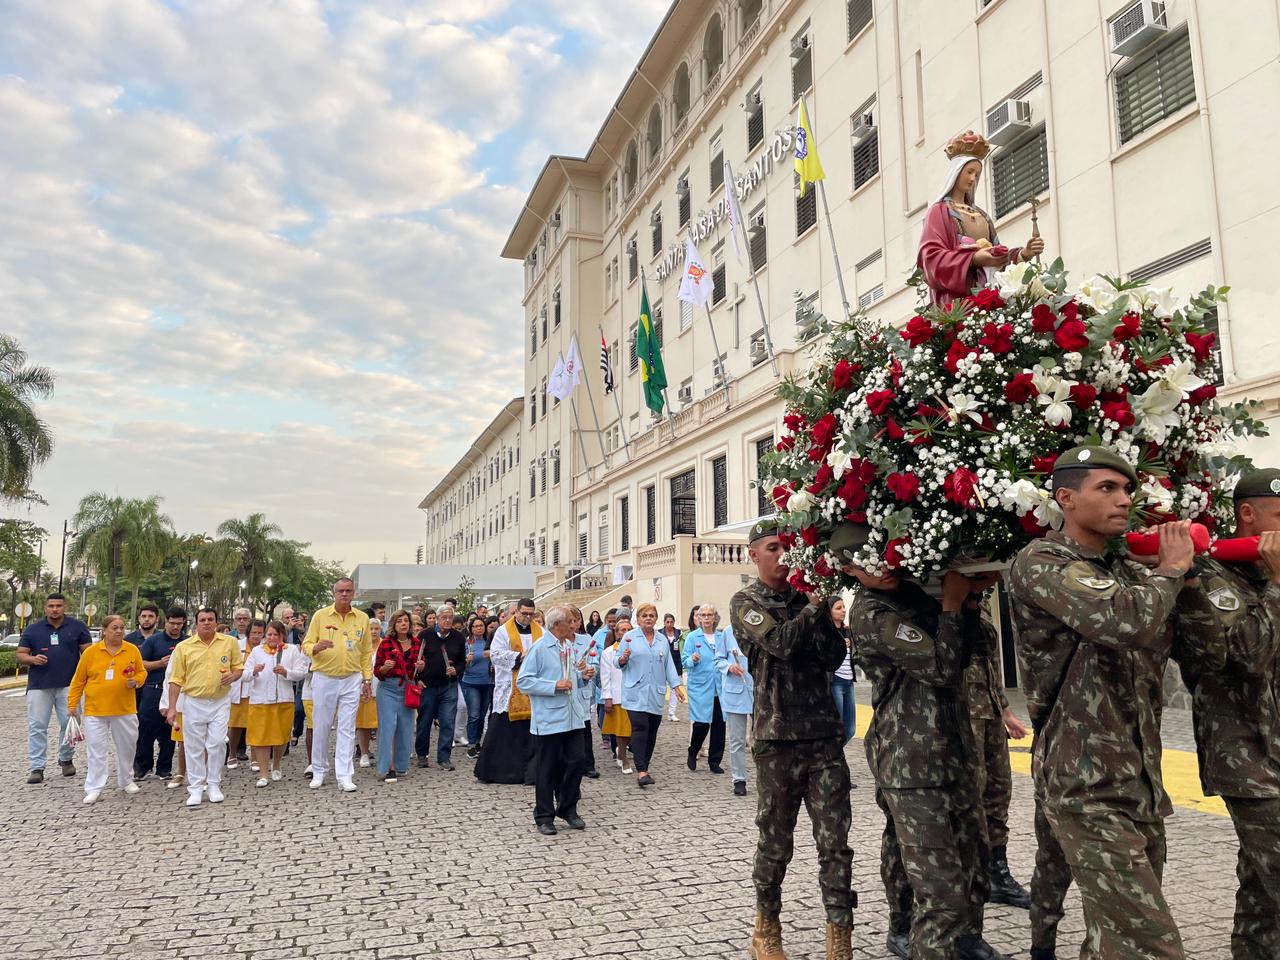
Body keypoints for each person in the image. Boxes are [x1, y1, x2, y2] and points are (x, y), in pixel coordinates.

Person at [1008, 446, 1198, 959]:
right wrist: (1171, 571)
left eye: (1128, 489)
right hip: (1085, 784)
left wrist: (1191, 575)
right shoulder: (1042, 562)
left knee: (1111, 938)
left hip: (1140, 780)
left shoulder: (1131, 571)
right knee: (1150, 944)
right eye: (1107, 488)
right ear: (1066, 499)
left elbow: (1205, 649)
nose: (1125, 500)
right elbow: (1122, 621)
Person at [839, 520, 1006, 960]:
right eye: (867, 561)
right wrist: (950, 604)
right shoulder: (871, 612)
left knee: (973, 855)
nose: (882, 565)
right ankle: (911, 929)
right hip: (910, 758)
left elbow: (974, 650)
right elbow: (941, 667)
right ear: (849, 568)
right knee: (937, 882)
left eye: (884, 553)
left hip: (954, 748)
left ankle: (966, 936)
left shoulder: (912, 594)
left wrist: (969, 601)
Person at [730, 519, 854, 960]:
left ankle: (840, 935)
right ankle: (766, 926)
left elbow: (833, 656)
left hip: (824, 737)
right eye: (773, 548)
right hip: (778, 739)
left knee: (835, 844)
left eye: (787, 547)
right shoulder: (745, 602)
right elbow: (780, 644)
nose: (783, 555)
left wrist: (821, 609)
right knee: (776, 841)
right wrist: (814, 609)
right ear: (753, 554)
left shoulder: (808, 599)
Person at [1172, 467, 1280, 958]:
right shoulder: (1209, 576)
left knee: (1261, 890)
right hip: (1245, 754)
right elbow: (1245, 657)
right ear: (1247, 514)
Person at [917, 130, 1043, 307]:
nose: (972, 179)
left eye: (976, 174)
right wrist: (973, 259)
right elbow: (930, 260)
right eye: (969, 172)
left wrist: (1023, 254)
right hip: (957, 305)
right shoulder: (939, 212)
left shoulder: (982, 215)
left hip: (988, 300)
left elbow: (997, 258)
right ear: (956, 172)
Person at [965, 610, 1032, 910]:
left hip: (989, 715)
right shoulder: (940, 607)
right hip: (963, 718)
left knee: (998, 793)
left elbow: (991, 668)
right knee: (971, 798)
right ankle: (970, 876)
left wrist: (1005, 712)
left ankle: (997, 873)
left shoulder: (982, 612)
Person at [516, 604, 593, 835]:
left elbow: (570, 677)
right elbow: (524, 681)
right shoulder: (539, 648)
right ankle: (544, 816)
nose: (573, 626)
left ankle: (568, 807)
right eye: (570, 622)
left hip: (572, 716)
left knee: (577, 761)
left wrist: (582, 676)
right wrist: (553, 685)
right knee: (547, 769)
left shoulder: (567, 646)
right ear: (557, 624)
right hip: (549, 719)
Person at [164, 608, 244, 807]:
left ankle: (214, 784)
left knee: (217, 743)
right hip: (193, 701)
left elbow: (238, 668)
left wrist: (233, 676)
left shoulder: (229, 642)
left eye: (210, 619)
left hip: (220, 701)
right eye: (203, 620)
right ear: (196, 623)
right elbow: (175, 680)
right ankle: (196, 788)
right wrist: (172, 707)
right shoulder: (183, 647)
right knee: (193, 746)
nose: (207, 623)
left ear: (216, 622)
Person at [303, 578, 372, 793]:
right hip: (325, 677)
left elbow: (366, 652)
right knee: (321, 725)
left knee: (347, 727)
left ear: (354, 593)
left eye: (348, 591)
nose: (344, 594)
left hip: (351, 677)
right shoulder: (320, 616)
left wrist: (367, 679)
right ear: (334, 593)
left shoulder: (362, 618)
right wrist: (316, 647)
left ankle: (345, 774)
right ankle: (319, 770)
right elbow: (305, 645)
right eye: (340, 591)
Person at [67, 614, 145, 804]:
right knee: (96, 750)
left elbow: (142, 672)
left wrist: (136, 681)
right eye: (114, 628)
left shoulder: (132, 650)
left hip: (124, 709)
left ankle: (126, 780)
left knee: (127, 747)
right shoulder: (91, 652)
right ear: (104, 631)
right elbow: (78, 680)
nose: (119, 631)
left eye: (121, 628)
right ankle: (94, 787)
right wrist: (72, 705)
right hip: (96, 710)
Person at [18, 593, 92, 784]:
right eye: (51, 606)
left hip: (69, 685)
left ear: (65, 607)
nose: (55, 609)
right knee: (37, 726)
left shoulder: (77, 627)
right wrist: (32, 659)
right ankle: (37, 767)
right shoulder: (33, 629)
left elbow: (88, 653)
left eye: (58, 605)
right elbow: (20, 655)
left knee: (70, 722)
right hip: (39, 685)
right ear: (45, 608)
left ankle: (66, 758)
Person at [618, 603, 685, 789]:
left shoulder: (662, 640)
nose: (648, 618)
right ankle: (641, 771)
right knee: (640, 728)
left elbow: (668, 665)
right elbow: (618, 661)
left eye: (651, 615)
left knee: (652, 731)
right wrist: (623, 659)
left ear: (656, 619)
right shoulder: (630, 637)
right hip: (635, 692)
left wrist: (676, 687)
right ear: (638, 619)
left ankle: (644, 765)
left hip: (655, 692)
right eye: (644, 615)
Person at [475, 599, 540, 785]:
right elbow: (495, 654)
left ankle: (531, 772)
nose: (527, 617)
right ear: (516, 612)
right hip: (510, 687)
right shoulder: (503, 631)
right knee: (502, 730)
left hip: (532, 688)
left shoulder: (540, 632)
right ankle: (500, 772)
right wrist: (519, 656)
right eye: (524, 613)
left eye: (531, 614)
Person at [243, 619, 307, 787]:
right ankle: (263, 774)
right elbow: (244, 674)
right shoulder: (257, 651)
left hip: (283, 699)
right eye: (269, 634)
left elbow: (301, 672)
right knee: (261, 737)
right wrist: (254, 671)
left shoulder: (291, 650)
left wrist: (286, 672)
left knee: (281, 736)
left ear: (282, 635)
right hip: (260, 700)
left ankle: (276, 763)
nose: (271, 638)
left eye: (275, 635)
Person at [133, 606, 187, 782]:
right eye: (172, 623)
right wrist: (159, 663)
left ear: (183, 623)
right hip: (153, 689)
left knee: (170, 731)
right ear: (165, 622)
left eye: (179, 624)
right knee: (146, 729)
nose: (175, 627)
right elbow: (140, 664)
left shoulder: (187, 642)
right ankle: (142, 767)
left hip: (177, 691)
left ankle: (164, 768)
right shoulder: (154, 641)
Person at [414, 604, 465, 771]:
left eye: (450, 617)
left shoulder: (458, 637)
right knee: (425, 721)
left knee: (448, 721)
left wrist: (456, 670)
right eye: (444, 618)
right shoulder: (425, 635)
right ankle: (422, 754)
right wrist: (418, 677)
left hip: (449, 685)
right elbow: (416, 658)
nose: (448, 620)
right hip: (428, 685)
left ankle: (444, 757)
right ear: (436, 619)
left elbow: (462, 661)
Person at [375, 609, 421, 783]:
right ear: (394, 625)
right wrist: (385, 668)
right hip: (388, 688)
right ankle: (388, 768)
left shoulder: (416, 643)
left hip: (408, 688)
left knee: (406, 728)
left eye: (406, 621)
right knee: (388, 727)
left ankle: (401, 766)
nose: (403, 624)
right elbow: (377, 671)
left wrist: (421, 667)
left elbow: (419, 670)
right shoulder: (386, 643)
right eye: (400, 621)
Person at [682, 604, 725, 774]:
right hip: (700, 686)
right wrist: (692, 659)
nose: (706, 618)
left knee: (719, 725)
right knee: (701, 723)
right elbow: (684, 661)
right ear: (699, 618)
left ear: (715, 617)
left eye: (710, 615)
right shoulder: (693, 637)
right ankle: (693, 751)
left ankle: (715, 760)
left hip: (720, 687)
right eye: (703, 615)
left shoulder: (721, 637)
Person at [714, 622, 754, 797]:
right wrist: (729, 667)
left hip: (760, 690)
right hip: (736, 690)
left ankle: (766, 777)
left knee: (764, 739)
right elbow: (718, 659)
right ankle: (739, 779)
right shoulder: (728, 632)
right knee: (737, 740)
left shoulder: (765, 625)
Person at [567, 605, 600, 779]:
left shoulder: (586, 640)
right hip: (565, 690)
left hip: (583, 690)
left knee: (585, 730)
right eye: (570, 620)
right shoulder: (557, 642)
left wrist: (589, 668)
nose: (573, 624)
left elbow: (594, 661)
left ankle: (588, 764)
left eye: (576, 620)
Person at [226, 618, 263, 770]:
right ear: (248, 632)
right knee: (235, 725)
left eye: (260, 633)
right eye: (254, 632)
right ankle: (232, 754)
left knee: (255, 725)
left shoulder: (265, 648)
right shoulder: (237, 645)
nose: (256, 636)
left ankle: (255, 757)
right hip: (238, 690)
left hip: (256, 690)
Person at [600, 613, 633, 773]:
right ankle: (624, 759)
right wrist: (607, 697)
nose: (625, 633)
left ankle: (622, 749)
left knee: (633, 730)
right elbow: (605, 677)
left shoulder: (638, 649)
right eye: (622, 630)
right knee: (621, 729)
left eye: (628, 630)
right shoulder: (608, 652)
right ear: (617, 633)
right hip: (618, 695)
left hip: (635, 695)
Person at [460, 614, 493, 758]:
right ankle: (471, 745)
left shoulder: (489, 642)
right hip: (471, 683)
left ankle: (478, 742)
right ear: (471, 628)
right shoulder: (467, 643)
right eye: (475, 626)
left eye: (481, 625)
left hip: (487, 682)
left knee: (481, 715)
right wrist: (466, 660)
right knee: (473, 714)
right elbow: (460, 665)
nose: (478, 628)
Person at [828, 596, 856, 746]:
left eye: (844, 607)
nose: (843, 611)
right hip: (835, 682)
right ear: (829, 611)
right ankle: (833, 755)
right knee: (836, 728)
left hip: (849, 682)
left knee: (850, 730)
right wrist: (838, 645)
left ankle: (834, 753)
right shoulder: (827, 632)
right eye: (838, 608)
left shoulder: (848, 632)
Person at [355, 618, 381, 767]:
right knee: (363, 724)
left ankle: (381, 753)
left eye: (376, 629)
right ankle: (364, 753)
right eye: (371, 629)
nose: (373, 632)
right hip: (362, 690)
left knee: (380, 724)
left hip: (380, 689)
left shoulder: (385, 645)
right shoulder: (359, 646)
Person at [125, 603, 160, 710]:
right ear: (139, 618)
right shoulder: (128, 639)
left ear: (157, 619)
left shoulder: (162, 639)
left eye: (150, 616)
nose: (146, 619)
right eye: (143, 616)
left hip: (155, 688)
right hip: (132, 688)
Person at [661, 612, 683, 721]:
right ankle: (659, 711)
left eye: (671, 622)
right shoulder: (659, 633)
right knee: (662, 689)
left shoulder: (679, 633)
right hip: (662, 665)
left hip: (676, 664)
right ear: (664, 623)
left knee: (675, 689)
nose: (669, 624)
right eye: (667, 622)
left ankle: (671, 713)